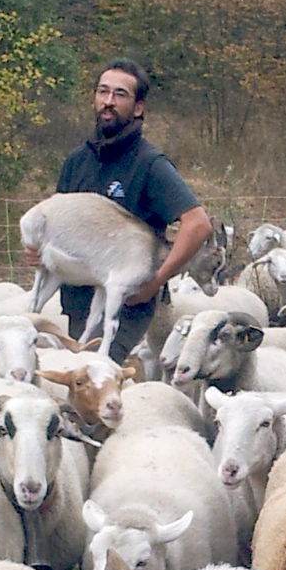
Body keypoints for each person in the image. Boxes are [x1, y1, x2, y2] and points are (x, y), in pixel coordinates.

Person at [51, 58, 214, 359]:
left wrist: (155, 282)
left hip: (124, 304)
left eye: (120, 94)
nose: (108, 102)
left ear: (138, 107)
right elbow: (58, 223)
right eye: (103, 92)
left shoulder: (150, 165)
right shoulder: (77, 161)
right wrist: (40, 251)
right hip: (79, 300)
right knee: (84, 387)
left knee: (96, 375)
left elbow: (198, 224)